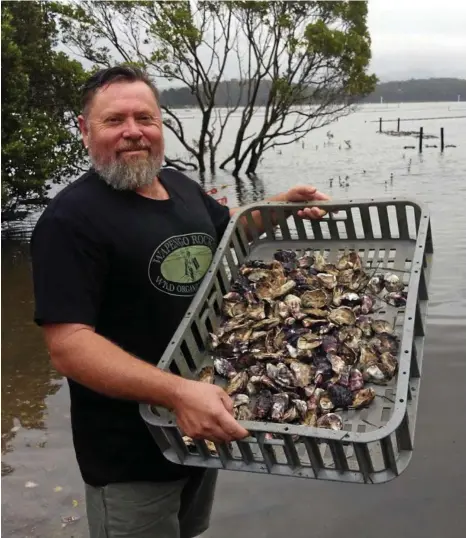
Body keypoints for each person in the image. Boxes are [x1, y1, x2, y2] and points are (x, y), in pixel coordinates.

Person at [30, 65, 330, 538]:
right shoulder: (70, 221)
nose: (134, 132)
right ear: (85, 131)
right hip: (130, 452)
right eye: (115, 121)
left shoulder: (181, 187)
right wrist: (176, 392)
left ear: (161, 125)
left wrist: (277, 206)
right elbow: (68, 345)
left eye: (144, 118)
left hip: (201, 423)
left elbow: (229, 234)